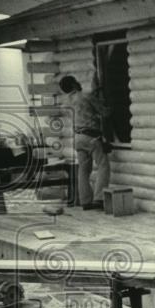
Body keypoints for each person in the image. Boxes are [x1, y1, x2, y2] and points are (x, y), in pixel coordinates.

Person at [59, 74, 110, 210]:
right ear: (74, 85)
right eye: (76, 82)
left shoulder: (66, 103)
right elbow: (104, 112)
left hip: (78, 137)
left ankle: (85, 201)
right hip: (91, 136)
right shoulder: (86, 96)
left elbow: (82, 107)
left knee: (83, 170)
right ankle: (99, 198)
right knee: (103, 165)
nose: (78, 83)